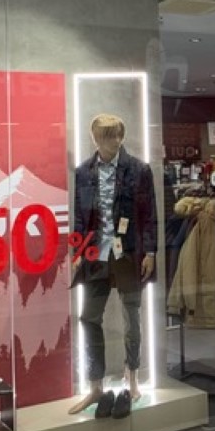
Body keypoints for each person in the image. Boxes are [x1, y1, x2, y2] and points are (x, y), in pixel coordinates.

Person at [69, 114, 157, 414]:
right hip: (96, 254)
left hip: (129, 253)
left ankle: (132, 377)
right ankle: (96, 385)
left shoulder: (139, 169)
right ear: (96, 138)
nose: (116, 141)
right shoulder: (84, 171)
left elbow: (149, 213)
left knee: (132, 317)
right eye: (109, 136)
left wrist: (151, 252)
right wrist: (77, 251)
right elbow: (79, 216)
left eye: (119, 134)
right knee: (89, 318)